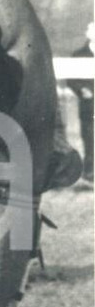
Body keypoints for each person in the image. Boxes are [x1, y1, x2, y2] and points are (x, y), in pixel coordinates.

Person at [67, 21, 94, 186]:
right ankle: (90, 172)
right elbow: (72, 79)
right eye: (92, 29)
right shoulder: (78, 55)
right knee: (89, 138)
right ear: (88, 34)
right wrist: (82, 90)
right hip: (89, 105)